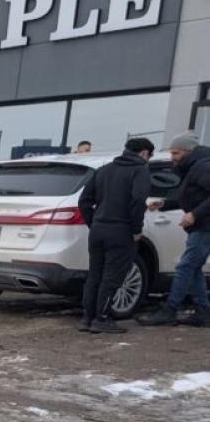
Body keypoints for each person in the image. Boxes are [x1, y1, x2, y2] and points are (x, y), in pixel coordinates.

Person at [76, 137, 154, 334]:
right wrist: (136, 229)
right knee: (112, 277)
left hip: (98, 230)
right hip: (121, 231)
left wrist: (93, 223)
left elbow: (84, 201)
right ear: (144, 153)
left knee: (94, 275)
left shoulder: (104, 169)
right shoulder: (140, 170)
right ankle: (101, 318)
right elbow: (138, 200)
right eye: (149, 156)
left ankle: (87, 318)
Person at [139, 132, 210, 327]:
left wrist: (195, 214)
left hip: (205, 227)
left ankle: (170, 309)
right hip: (200, 227)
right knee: (193, 268)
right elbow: (192, 196)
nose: (172, 158)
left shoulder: (203, 166)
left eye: (176, 153)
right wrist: (164, 204)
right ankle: (203, 311)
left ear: (188, 151)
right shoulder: (193, 166)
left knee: (185, 266)